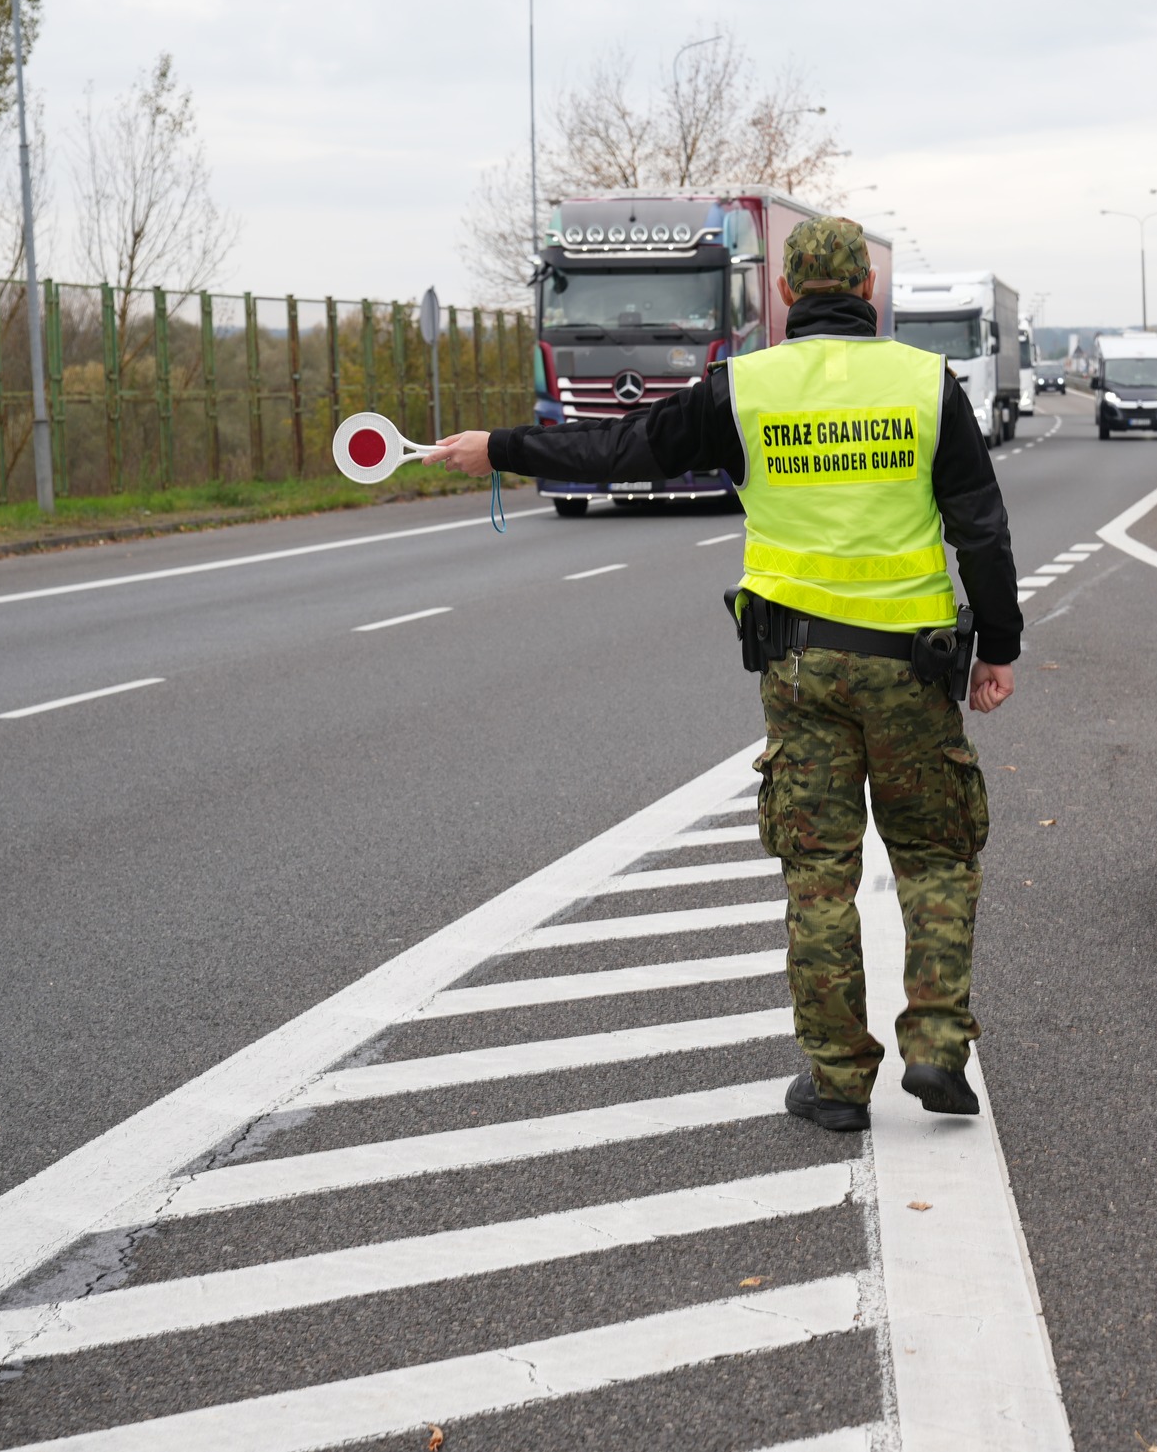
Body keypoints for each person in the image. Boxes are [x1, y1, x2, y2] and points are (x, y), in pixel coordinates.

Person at [425, 216, 1020, 1136]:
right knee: (937, 854)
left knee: (818, 871)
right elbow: (980, 525)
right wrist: (1001, 650)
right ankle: (938, 1046)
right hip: (912, 667)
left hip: (798, 664)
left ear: (783, 293)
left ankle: (835, 1081)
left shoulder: (740, 388)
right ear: (868, 288)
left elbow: (619, 453)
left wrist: (502, 448)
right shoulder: (922, 384)